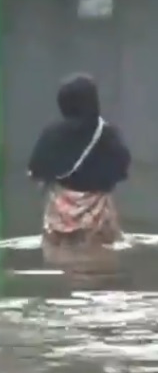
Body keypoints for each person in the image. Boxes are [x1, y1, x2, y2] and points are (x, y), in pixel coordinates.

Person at [27, 74, 130, 249]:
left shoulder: (52, 134)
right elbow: (122, 166)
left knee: (59, 254)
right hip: (98, 212)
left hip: (59, 211)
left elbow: (35, 170)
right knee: (100, 260)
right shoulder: (106, 133)